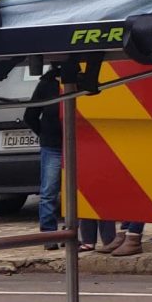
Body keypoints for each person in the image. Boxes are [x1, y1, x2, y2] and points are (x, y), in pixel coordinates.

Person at [21, 72, 95, 252]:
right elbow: (30, 115)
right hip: (53, 146)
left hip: (79, 145)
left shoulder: (83, 81)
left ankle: (71, 233)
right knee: (49, 191)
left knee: (77, 193)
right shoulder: (47, 84)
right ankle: (49, 235)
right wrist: (45, 135)